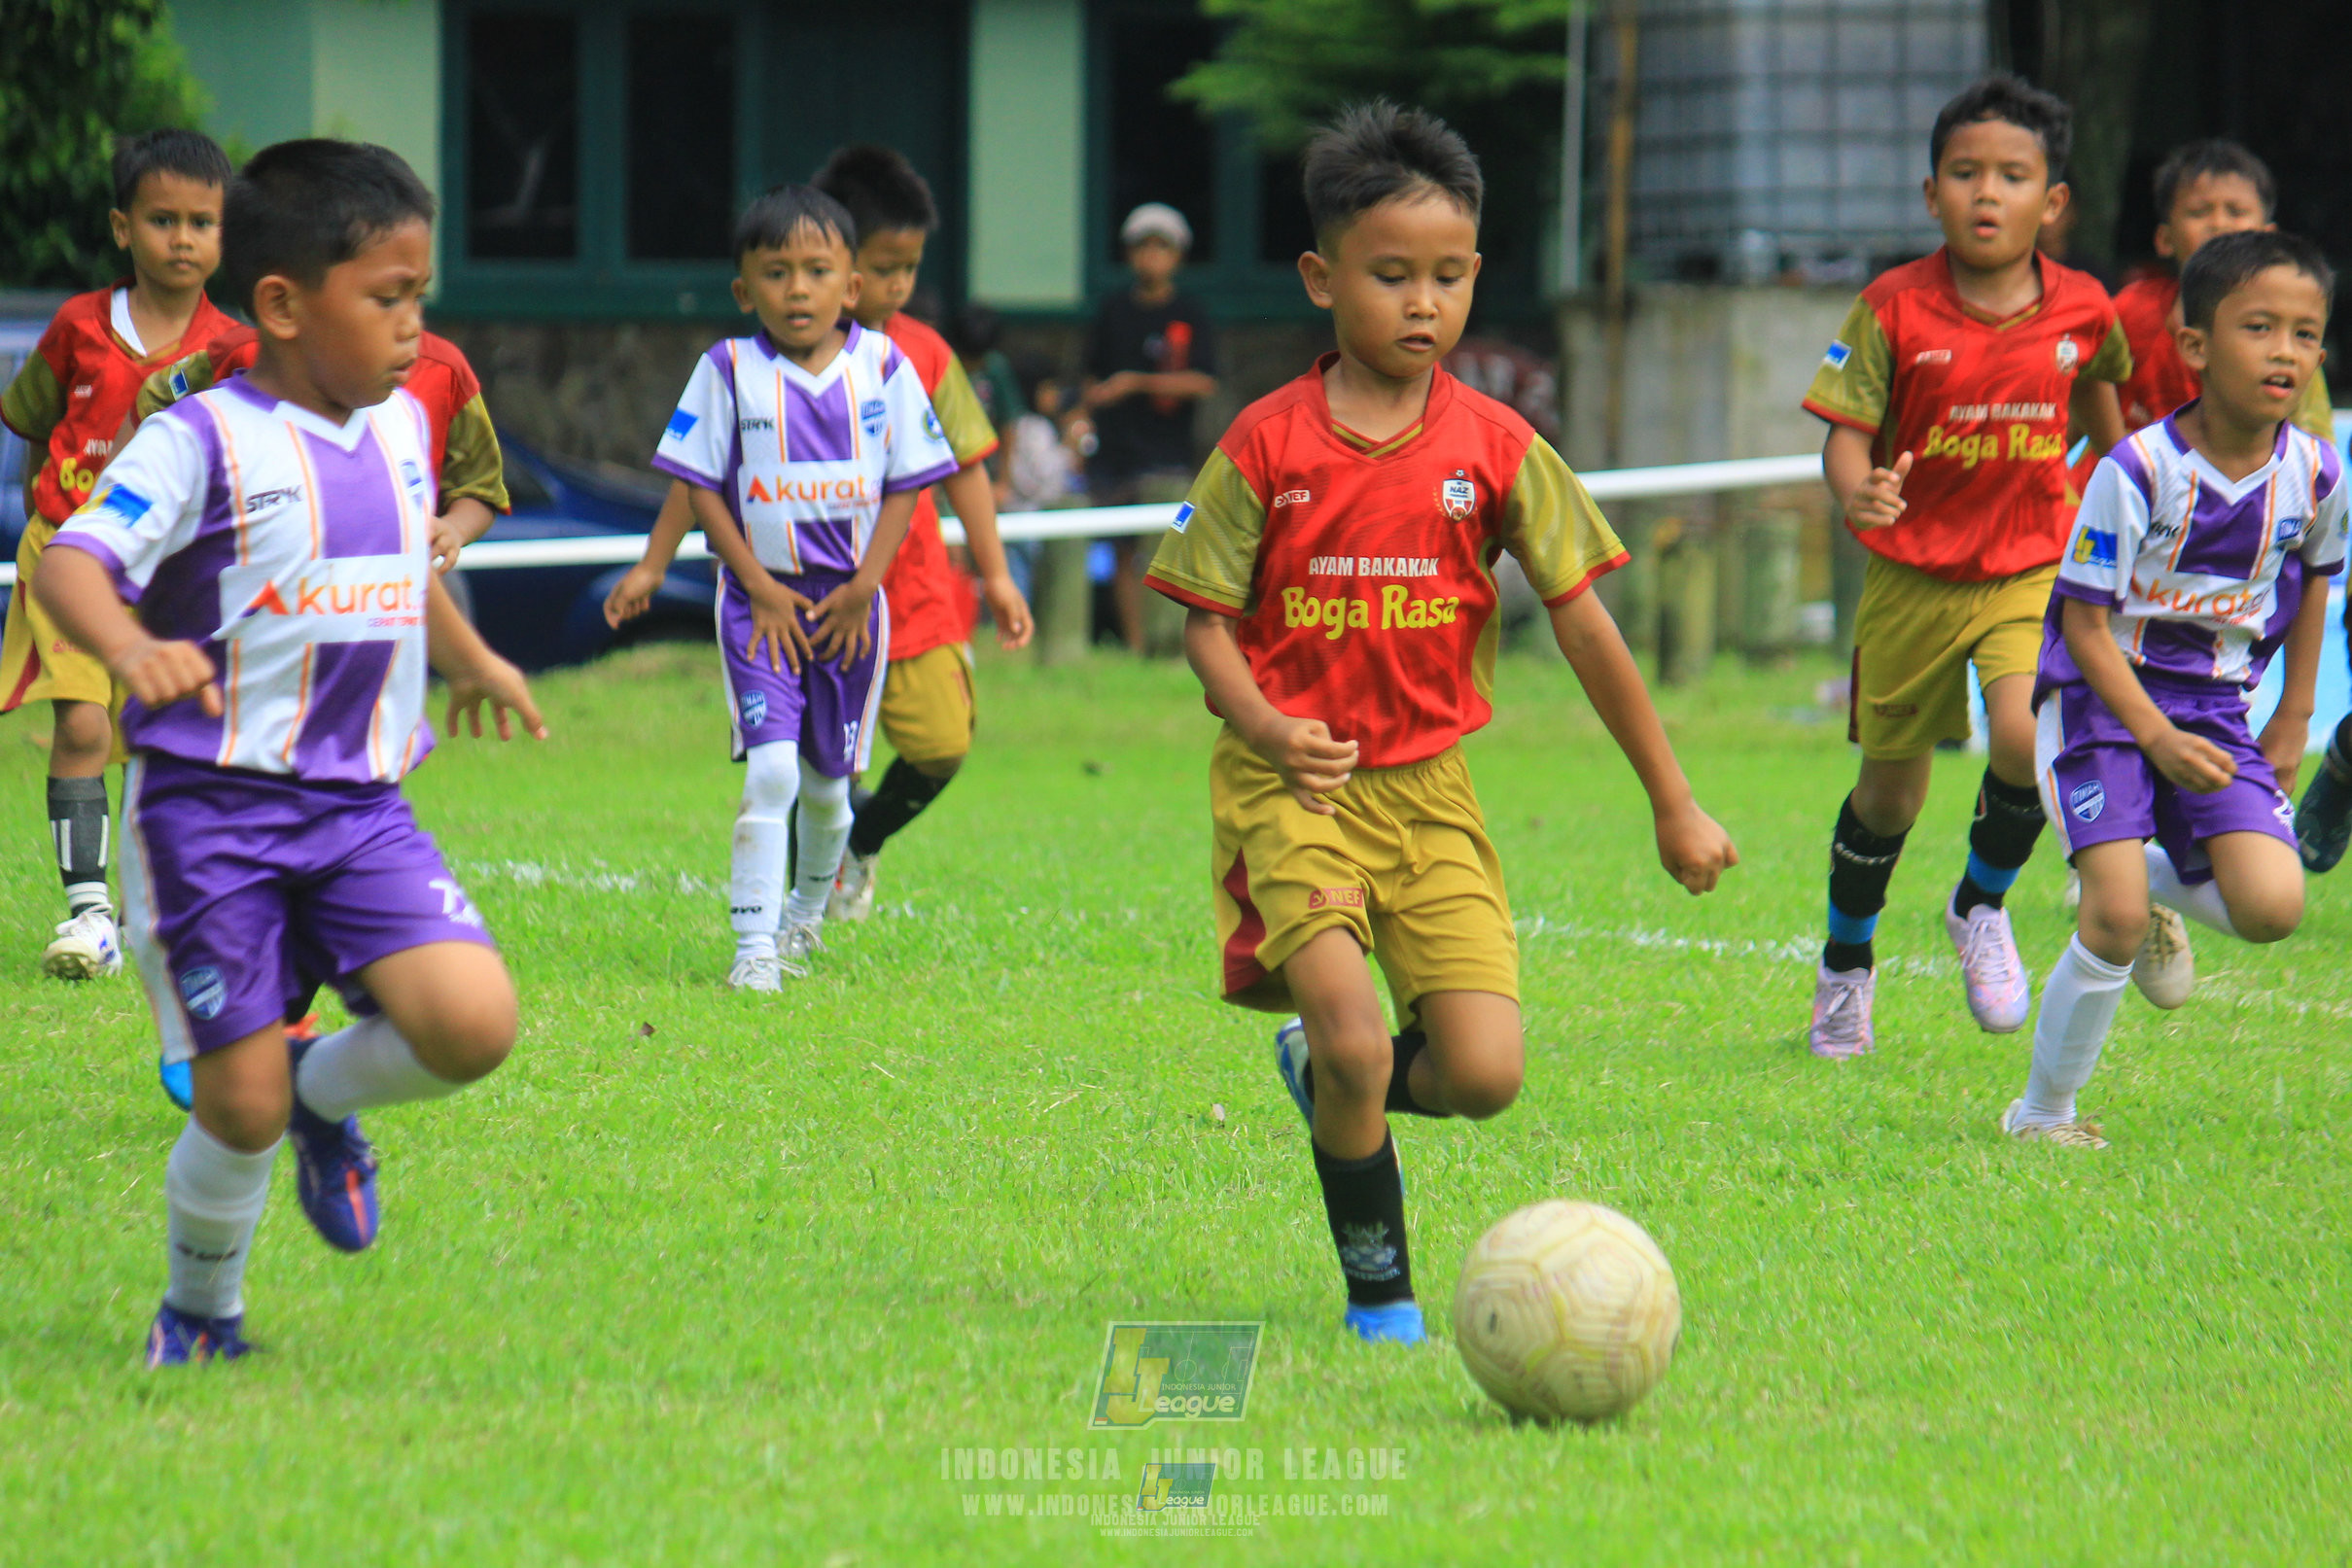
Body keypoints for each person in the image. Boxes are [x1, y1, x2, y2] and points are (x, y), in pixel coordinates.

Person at [1145, 102, 1736, 1343]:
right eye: (1392, 274)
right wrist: (1263, 725)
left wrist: (1671, 797)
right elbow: (1203, 625)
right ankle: (1381, 1299)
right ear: (1322, 277)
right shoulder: (1263, 446)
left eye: (1450, 276)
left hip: (1431, 791)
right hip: (1295, 790)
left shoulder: (1499, 446)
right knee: (1360, 1037)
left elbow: (1584, 623)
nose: (1424, 303)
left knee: (1482, 1075)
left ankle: (1324, 1077)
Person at [32, 139, 545, 1365]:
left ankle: (323, 1094)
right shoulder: (199, 438)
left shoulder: (404, 431)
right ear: (281, 304)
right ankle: (200, 1314)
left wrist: (468, 657)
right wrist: (129, 646)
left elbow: (393, 570)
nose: (416, 324)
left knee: (474, 1024)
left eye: (421, 294)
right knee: (235, 1103)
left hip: (363, 807)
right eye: (388, 297)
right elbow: (70, 562)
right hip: (210, 818)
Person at [1799, 73, 2129, 1060]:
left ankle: (1979, 903)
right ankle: (1844, 967)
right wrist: (1858, 491)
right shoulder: (1889, 308)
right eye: (1964, 172)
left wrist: (2121, 514)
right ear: (1930, 192)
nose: (1987, 192)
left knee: (2028, 736)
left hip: (2031, 565)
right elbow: (1844, 437)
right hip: (1910, 579)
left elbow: (2111, 437)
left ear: (2051, 201)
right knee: (1888, 795)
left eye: (2012, 175)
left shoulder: (2083, 312)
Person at [2006, 229, 2339, 1148]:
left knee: (2272, 909)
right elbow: (2081, 623)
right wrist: (2151, 736)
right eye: (2259, 327)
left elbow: (2317, 579)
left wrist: (2293, 714)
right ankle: (2042, 1115)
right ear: (2194, 346)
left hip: (2214, 710)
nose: (2285, 351)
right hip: (2099, 702)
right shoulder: (2136, 471)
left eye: (2305, 334)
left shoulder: (2316, 471)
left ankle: (2143, 869)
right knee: (2108, 918)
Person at [648, 183, 960, 989]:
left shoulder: (884, 366)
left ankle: (803, 922)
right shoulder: (724, 371)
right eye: (776, 272)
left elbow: (907, 484)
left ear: (849, 286)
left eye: (816, 270)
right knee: (773, 772)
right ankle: (752, 951)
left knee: (828, 788)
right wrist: (753, 580)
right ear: (744, 290)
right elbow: (701, 486)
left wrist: (864, 586)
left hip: (853, 608)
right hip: (761, 605)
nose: (797, 289)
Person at [1, 128, 240, 985]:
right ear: (120, 227)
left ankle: (151, 905)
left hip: (168, 579)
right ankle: (88, 912)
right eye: (162, 219)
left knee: (159, 739)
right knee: (82, 723)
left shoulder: (235, 351)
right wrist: (52, 525)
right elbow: (35, 430)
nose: (182, 239)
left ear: (224, 234)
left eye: (202, 222)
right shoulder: (75, 326)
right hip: (67, 561)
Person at [810, 145, 1034, 921]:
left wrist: (997, 573)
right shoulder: (779, 355)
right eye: (883, 265)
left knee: (941, 744)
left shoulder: (927, 351)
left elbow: (969, 465)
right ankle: (792, 892)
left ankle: (858, 840)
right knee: (809, 761)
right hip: (810, 597)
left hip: (912, 597)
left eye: (910, 267)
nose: (898, 285)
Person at [134, 325, 511, 574]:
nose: (406, 321)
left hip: (399, 583)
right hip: (256, 580)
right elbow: (153, 403)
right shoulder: (252, 354)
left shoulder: (440, 374)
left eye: (413, 295)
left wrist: (452, 529)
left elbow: (480, 490)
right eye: (380, 296)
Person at [1086, 202, 1218, 652]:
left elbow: (1203, 382)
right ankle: (1136, 644)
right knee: (1123, 550)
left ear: (1177, 256)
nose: (1152, 258)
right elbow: (1090, 376)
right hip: (1116, 451)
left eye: (1162, 248)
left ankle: (1172, 641)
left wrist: (1136, 383)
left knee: (1170, 544)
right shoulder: (1112, 311)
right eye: (1143, 248)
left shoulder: (1190, 312)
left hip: (1169, 453)